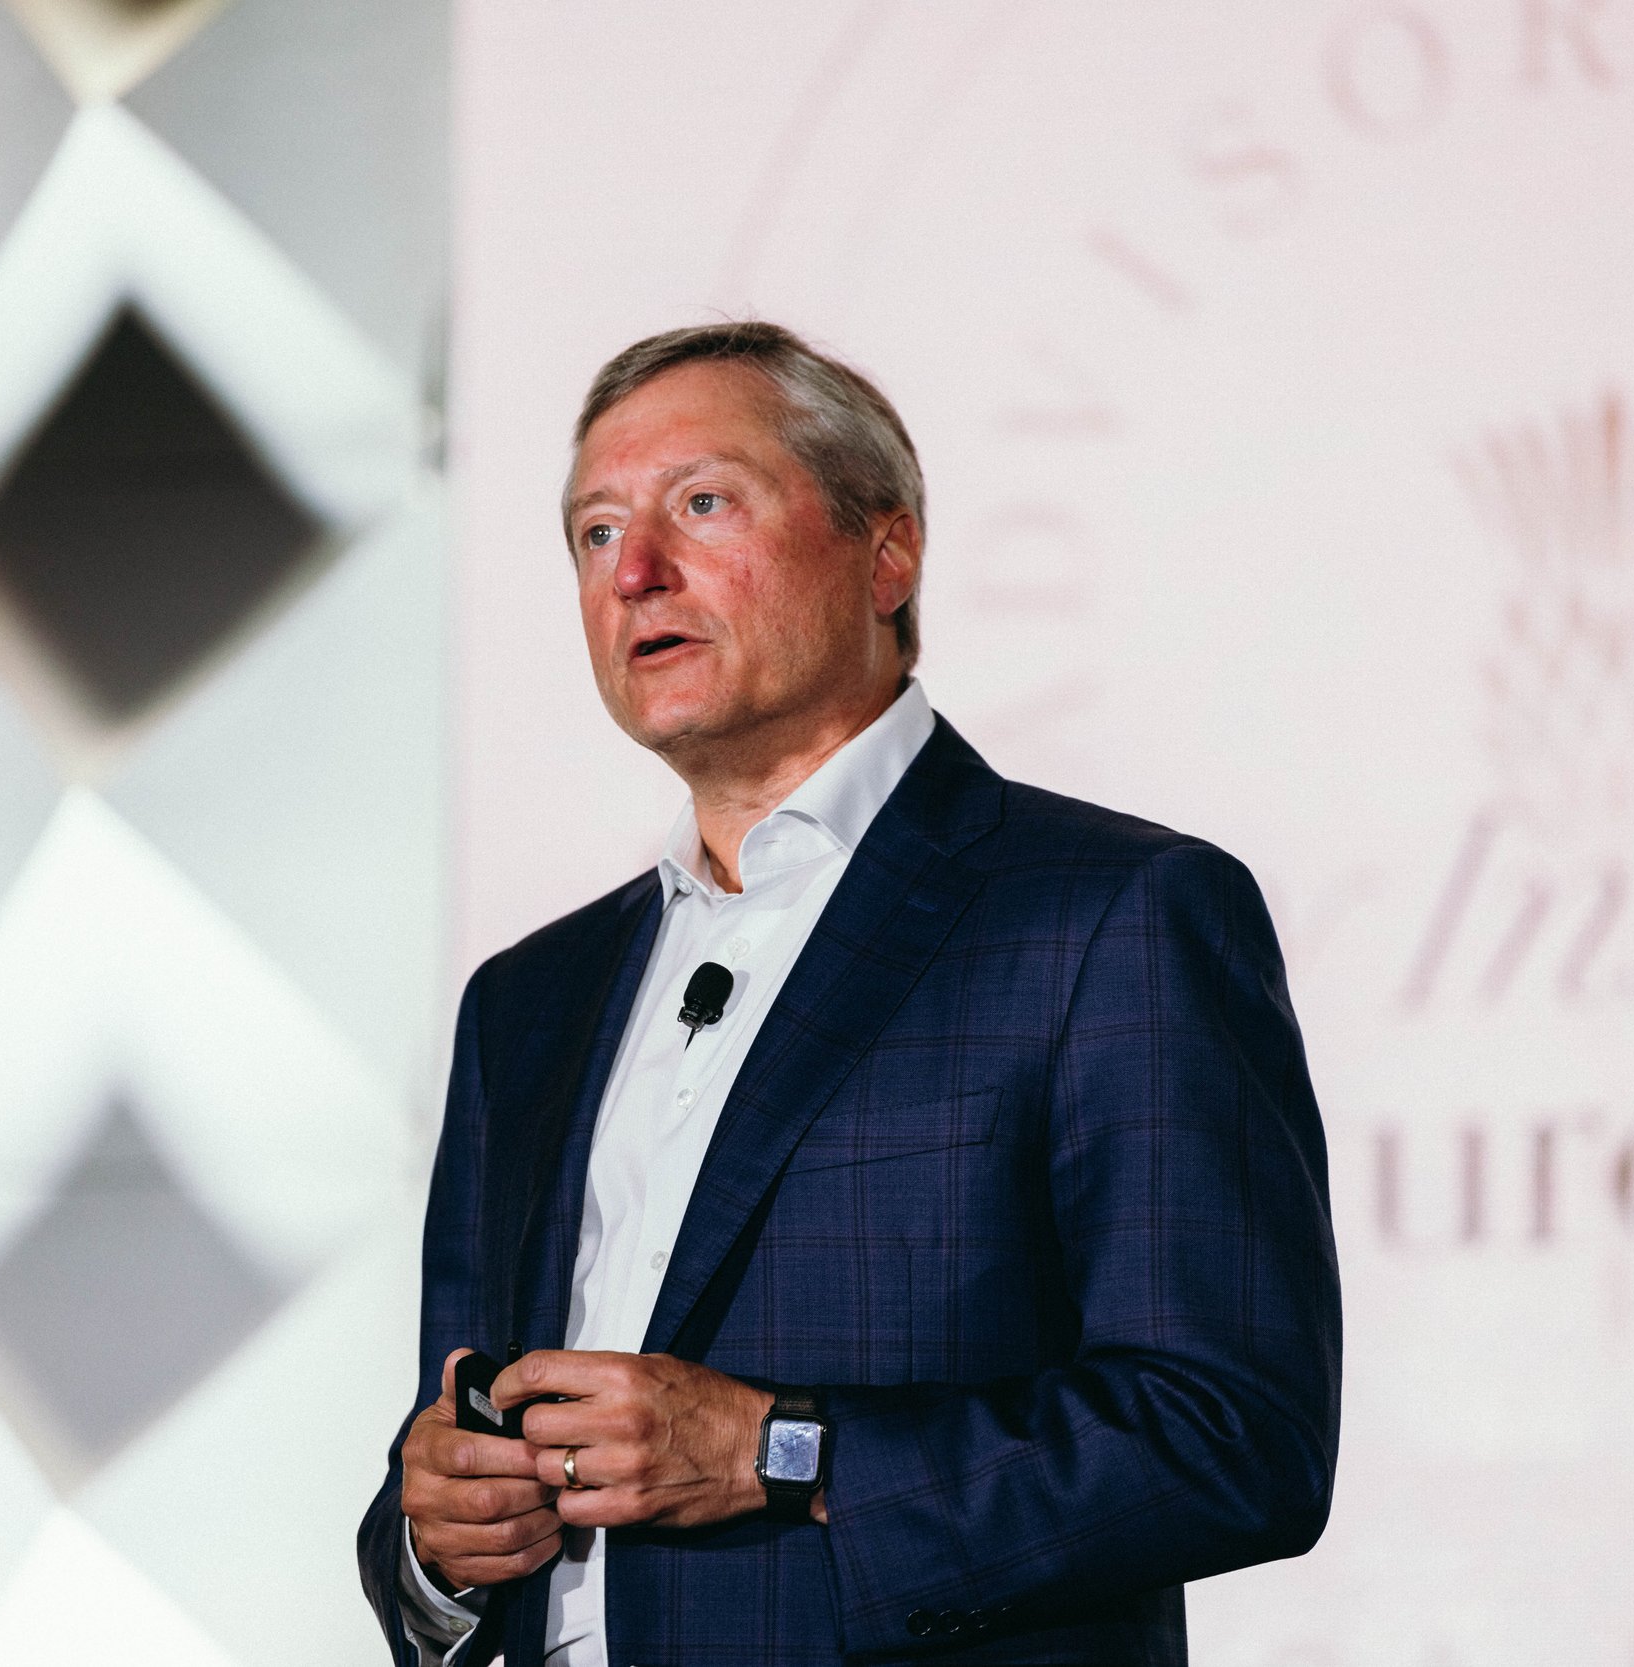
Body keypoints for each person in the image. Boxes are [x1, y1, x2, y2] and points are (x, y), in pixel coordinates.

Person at [356, 320, 1341, 1667]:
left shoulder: (1111, 916)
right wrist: (435, 1549)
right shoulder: (527, 1005)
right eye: (595, 533)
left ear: (888, 554)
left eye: (703, 504)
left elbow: (1233, 1438)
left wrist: (777, 1450)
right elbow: (448, 1454)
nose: (636, 571)